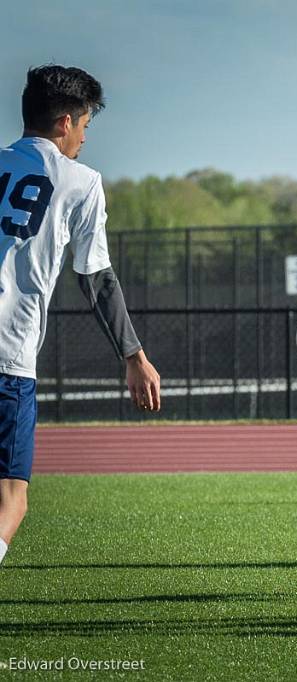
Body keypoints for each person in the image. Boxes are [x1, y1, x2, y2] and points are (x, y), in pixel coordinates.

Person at [0, 65, 161, 566]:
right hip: (8, 355)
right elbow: (96, 277)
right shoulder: (80, 181)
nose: (85, 139)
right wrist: (133, 354)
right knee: (11, 498)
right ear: (66, 121)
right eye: (86, 126)